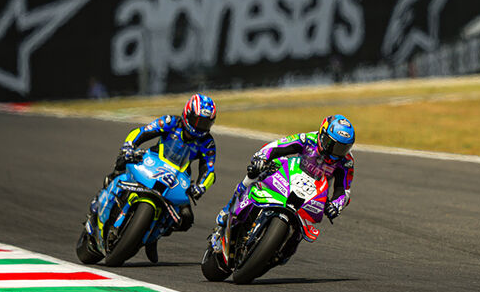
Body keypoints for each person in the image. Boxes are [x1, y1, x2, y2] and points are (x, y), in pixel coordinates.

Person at [99, 93, 218, 261]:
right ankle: (106, 196)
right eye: (199, 121)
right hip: (152, 163)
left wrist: (200, 186)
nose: (201, 127)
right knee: (121, 166)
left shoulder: (207, 142)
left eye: (206, 123)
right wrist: (129, 147)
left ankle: (153, 236)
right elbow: (142, 132)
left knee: (186, 219)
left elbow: (209, 170)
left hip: (178, 178)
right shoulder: (170, 122)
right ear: (188, 114)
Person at [211, 114, 355, 248]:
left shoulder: (346, 162)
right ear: (322, 135)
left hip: (315, 193)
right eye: (333, 144)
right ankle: (229, 208)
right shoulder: (308, 139)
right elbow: (277, 146)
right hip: (291, 174)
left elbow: (343, 190)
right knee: (257, 171)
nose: (336, 152)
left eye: (343, 148)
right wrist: (262, 158)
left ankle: (283, 249)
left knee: (303, 230)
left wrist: (336, 205)